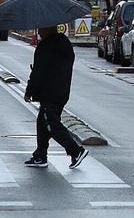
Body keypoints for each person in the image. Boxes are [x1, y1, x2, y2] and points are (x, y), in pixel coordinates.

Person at [24, 25, 88, 169]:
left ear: (47, 29)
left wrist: (29, 91)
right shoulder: (65, 44)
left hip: (49, 92)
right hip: (62, 91)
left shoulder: (46, 46)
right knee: (43, 122)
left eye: (41, 29)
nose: (38, 31)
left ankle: (76, 151)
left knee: (51, 124)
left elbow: (38, 72)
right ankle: (40, 155)